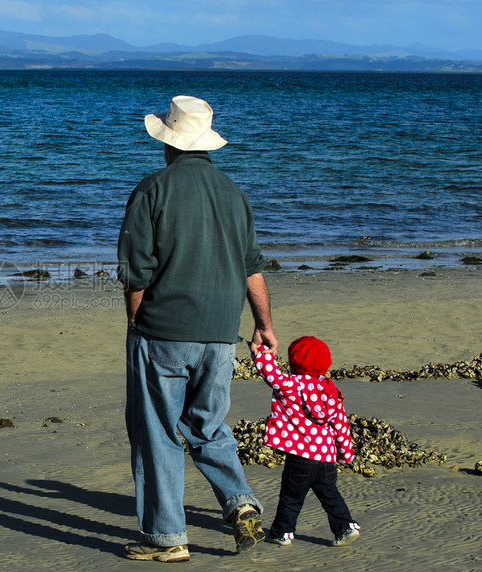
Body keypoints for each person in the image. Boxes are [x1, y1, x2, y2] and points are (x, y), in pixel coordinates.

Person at [117, 95, 278, 562]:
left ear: (168, 142)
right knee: (208, 426)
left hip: (164, 330)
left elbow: (136, 271)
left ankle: (166, 537)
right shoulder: (233, 193)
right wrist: (264, 325)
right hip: (222, 332)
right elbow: (252, 270)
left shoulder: (153, 188)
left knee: (157, 432)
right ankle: (241, 502)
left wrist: (134, 321)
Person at [252, 336, 361, 547]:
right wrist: (346, 454)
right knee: (329, 494)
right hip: (326, 458)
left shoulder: (292, 385)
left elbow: (271, 375)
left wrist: (262, 352)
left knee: (291, 496)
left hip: (301, 457)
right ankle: (346, 526)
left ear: (293, 362)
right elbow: (341, 426)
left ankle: (282, 532)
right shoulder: (331, 392)